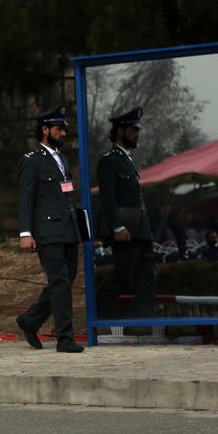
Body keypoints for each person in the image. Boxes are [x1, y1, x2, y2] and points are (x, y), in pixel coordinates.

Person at [15, 105, 85, 353]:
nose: (64, 133)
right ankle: (65, 338)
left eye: (64, 129)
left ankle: (30, 320)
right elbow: (26, 198)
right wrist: (25, 233)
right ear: (45, 130)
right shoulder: (31, 161)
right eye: (59, 129)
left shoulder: (62, 159)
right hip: (47, 231)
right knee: (59, 281)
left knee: (63, 282)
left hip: (68, 229)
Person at [96, 107, 156, 321]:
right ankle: (95, 313)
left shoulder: (126, 159)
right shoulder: (110, 160)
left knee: (146, 275)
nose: (137, 134)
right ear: (121, 131)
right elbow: (108, 198)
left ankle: (146, 321)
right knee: (123, 276)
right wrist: (117, 227)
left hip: (140, 230)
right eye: (133, 130)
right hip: (126, 230)